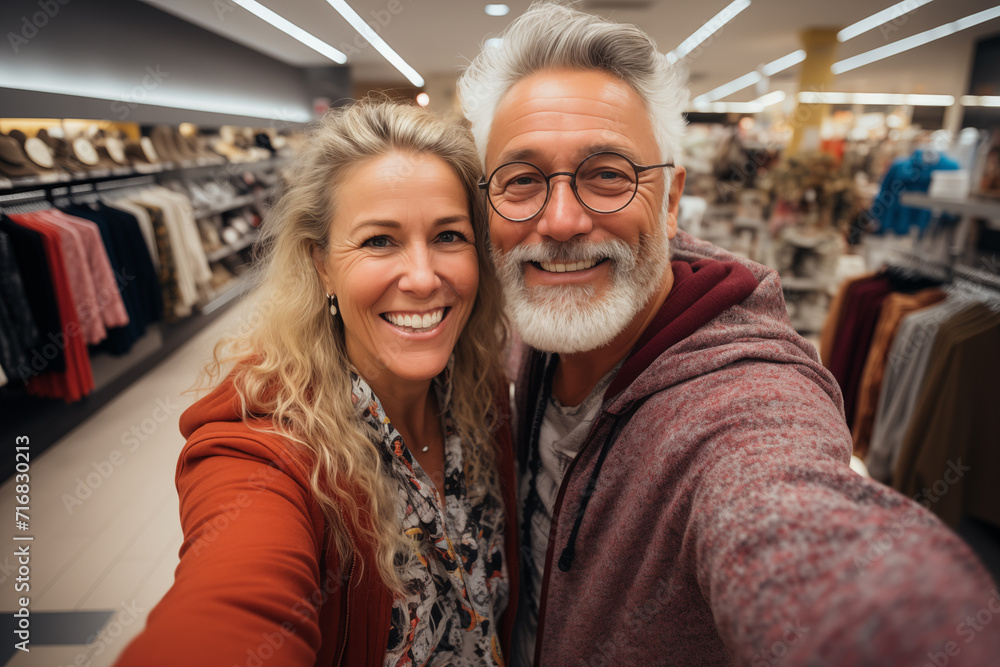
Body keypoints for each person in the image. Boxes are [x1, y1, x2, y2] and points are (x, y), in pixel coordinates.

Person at [458, 4, 1000, 665]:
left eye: (608, 173)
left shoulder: (740, 403)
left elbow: (791, 516)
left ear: (671, 197)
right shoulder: (530, 309)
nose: (563, 219)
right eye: (523, 180)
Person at [114, 100, 518, 666]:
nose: (425, 278)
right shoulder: (268, 454)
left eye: (449, 235)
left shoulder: (481, 390)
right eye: (379, 240)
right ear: (321, 263)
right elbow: (233, 604)